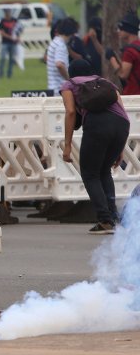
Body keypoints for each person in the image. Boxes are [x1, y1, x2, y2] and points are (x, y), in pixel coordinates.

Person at [60, 59, 130, 234]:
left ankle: (105, 220)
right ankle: (113, 217)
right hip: (121, 124)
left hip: (98, 125)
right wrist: (120, 147)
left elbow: (70, 112)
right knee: (104, 170)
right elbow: (121, 108)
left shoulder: (69, 84)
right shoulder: (105, 82)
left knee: (90, 173)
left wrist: (67, 145)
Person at [107, 12, 140, 96]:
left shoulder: (129, 51)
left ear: (129, 30)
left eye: (121, 28)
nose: (119, 31)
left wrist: (112, 58)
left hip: (133, 94)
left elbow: (123, 74)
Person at [47, 17, 78, 95]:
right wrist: (69, 80)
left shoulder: (54, 41)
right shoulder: (60, 45)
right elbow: (59, 64)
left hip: (52, 87)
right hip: (59, 88)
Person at [0, 7, 20, 79]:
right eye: (6, 12)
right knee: (3, 58)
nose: (7, 14)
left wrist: (17, 38)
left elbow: (18, 30)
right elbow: (2, 32)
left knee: (11, 59)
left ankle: (9, 74)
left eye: (8, 12)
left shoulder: (14, 20)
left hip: (13, 43)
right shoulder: (2, 21)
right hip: (5, 42)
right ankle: (1, 74)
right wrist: (10, 37)